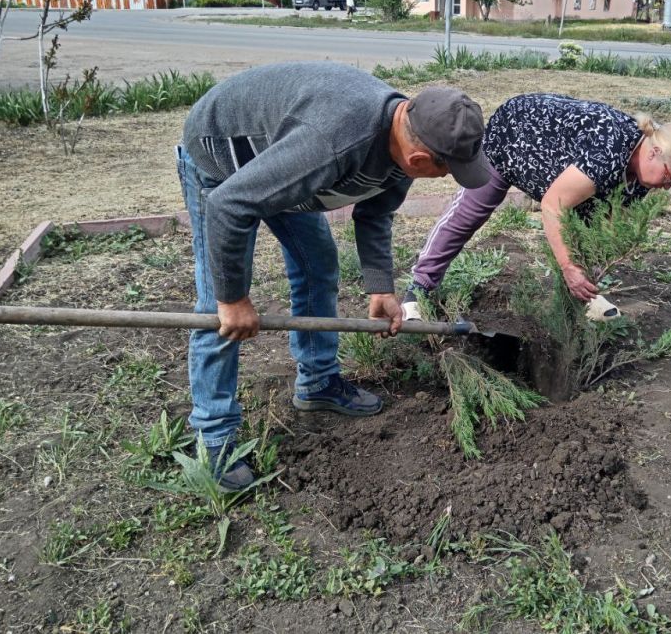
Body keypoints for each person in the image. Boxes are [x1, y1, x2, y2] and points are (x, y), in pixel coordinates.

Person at [176, 62, 488, 489]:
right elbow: (230, 206)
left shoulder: (405, 140)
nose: (451, 178)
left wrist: (381, 287)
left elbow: (375, 213)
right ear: (420, 158)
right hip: (223, 162)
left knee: (318, 265)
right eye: (448, 170)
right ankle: (214, 436)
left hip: (285, 162)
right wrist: (233, 299)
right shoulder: (333, 141)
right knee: (217, 302)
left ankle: (318, 382)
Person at [403, 93, 671, 320]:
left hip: (559, 165)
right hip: (516, 136)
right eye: (668, 176)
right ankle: (419, 289)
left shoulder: (641, 176)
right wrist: (568, 267)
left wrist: (589, 273)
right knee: (470, 213)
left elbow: (604, 223)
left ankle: (583, 298)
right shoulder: (607, 152)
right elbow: (553, 206)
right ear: (653, 152)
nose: (667, 187)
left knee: (589, 223)